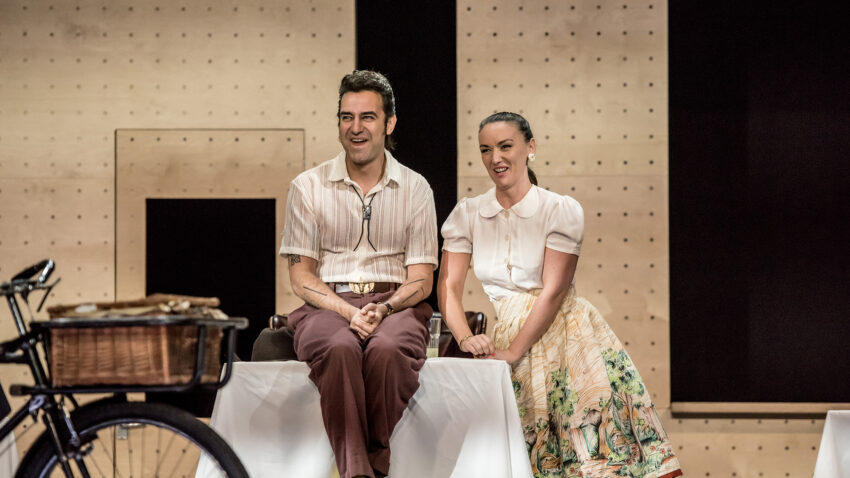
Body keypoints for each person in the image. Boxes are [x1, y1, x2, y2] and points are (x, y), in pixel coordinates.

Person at [438, 112, 682, 478]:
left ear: (530, 148)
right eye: (486, 150)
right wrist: (465, 337)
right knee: (521, 453)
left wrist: (513, 352)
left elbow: (554, 291)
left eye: (505, 146)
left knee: (587, 448)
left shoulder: (559, 209)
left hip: (567, 336)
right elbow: (447, 286)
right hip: (506, 333)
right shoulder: (468, 213)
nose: (495, 158)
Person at [280, 70, 438, 478]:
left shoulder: (416, 188)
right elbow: (300, 277)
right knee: (338, 348)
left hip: (395, 304)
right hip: (327, 305)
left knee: (388, 350)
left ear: (389, 123)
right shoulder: (307, 186)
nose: (356, 127)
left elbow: (422, 279)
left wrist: (383, 309)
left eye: (368, 117)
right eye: (346, 117)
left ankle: (367, 464)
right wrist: (349, 312)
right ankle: (362, 472)